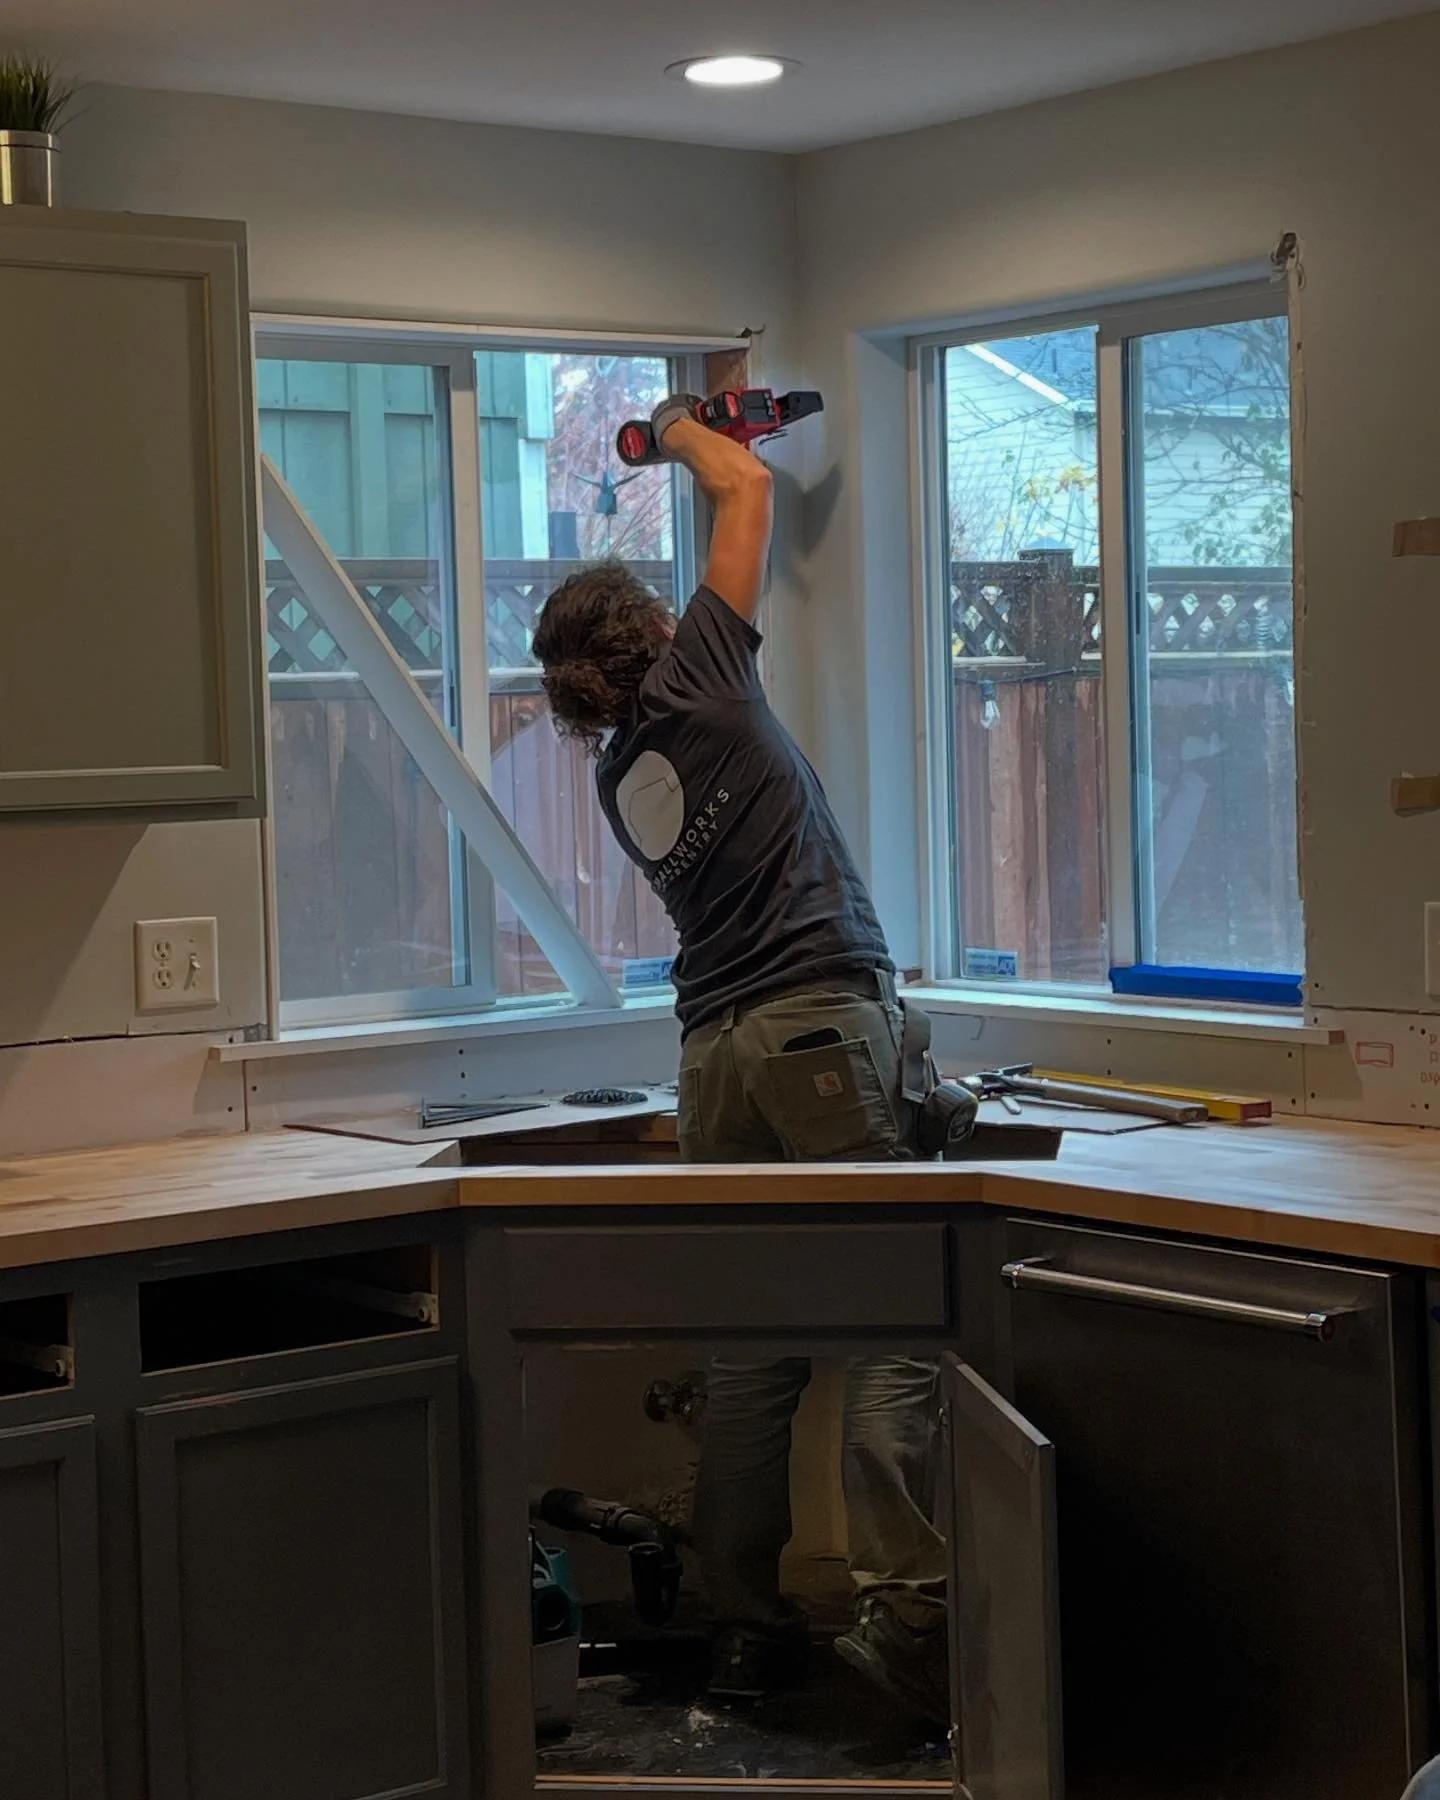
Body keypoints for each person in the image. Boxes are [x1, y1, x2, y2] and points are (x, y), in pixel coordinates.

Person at [532, 394, 947, 1723]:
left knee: (751, 1355)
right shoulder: (701, 679)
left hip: (714, 1051)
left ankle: (749, 1637)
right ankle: (912, 1628)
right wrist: (690, 431)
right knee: (899, 1320)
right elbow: (746, 503)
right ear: (653, 640)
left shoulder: (621, 772)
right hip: (817, 1019)